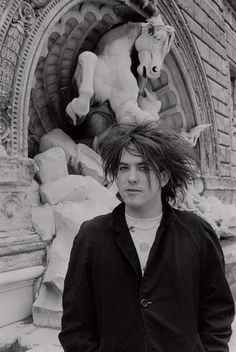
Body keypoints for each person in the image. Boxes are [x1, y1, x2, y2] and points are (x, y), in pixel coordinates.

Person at [59, 122, 235, 352]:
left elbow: (217, 310)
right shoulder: (91, 236)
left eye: (143, 167)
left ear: (163, 177)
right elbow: (76, 321)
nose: (131, 178)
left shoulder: (197, 233)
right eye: (123, 168)